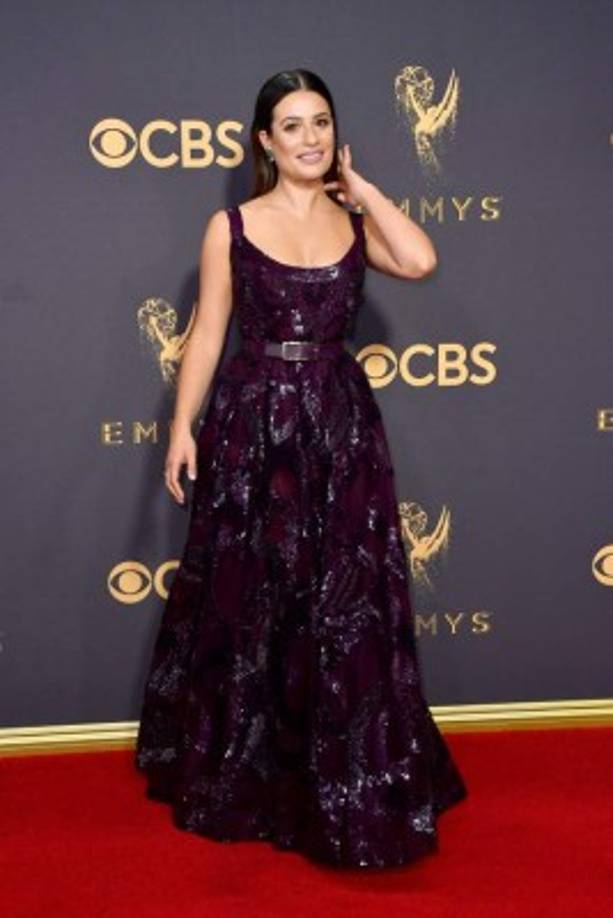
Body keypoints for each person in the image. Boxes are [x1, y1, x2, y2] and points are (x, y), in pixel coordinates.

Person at [135, 67, 468, 870]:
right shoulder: (232, 227)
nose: (310, 137)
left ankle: (344, 769)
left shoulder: (354, 224)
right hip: (254, 422)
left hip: (339, 422)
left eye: (321, 122)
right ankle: (250, 766)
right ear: (265, 142)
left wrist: (360, 188)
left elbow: (419, 260)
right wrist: (183, 427)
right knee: (254, 594)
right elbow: (208, 333)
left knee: (340, 599)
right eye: (292, 125)